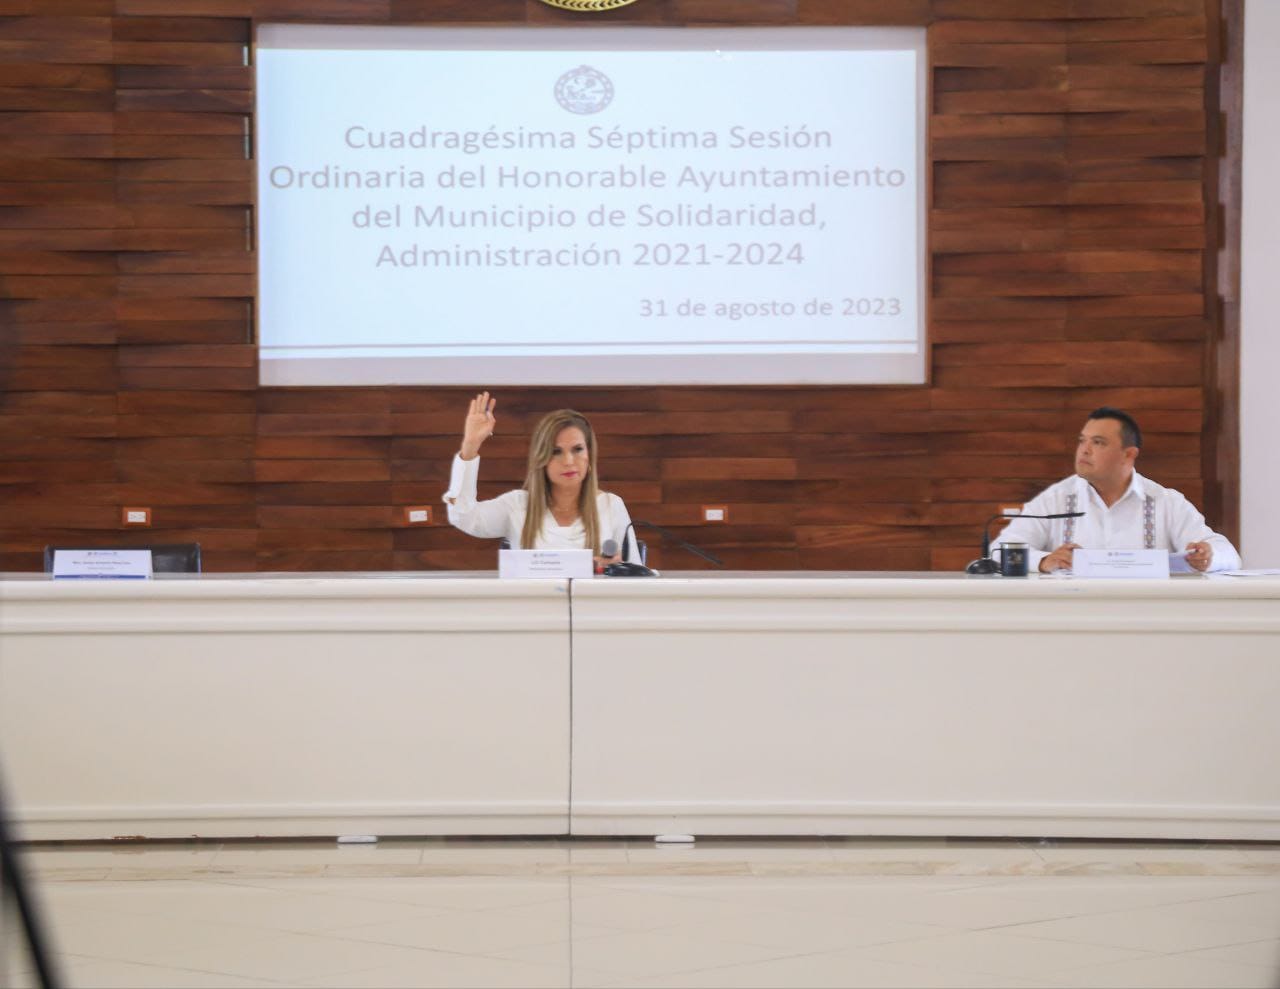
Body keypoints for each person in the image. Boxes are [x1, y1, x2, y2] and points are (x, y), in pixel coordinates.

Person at [991, 406, 1241, 574]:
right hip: (1073, 617)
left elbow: (1229, 555)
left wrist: (1209, 556)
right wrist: (1044, 561)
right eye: (1082, 441)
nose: (1084, 450)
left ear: (1128, 454)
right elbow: (999, 551)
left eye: (1098, 442)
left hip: (1147, 619)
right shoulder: (1056, 499)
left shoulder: (1165, 501)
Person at [442, 392, 638, 564]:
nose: (569, 461)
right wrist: (470, 446)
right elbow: (464, 516)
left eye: (577, 449)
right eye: (556, 452)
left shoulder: (611, 506)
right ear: (541, 458)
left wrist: (618, 568)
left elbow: (638, 577)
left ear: (590, 454)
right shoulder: (517, 505)